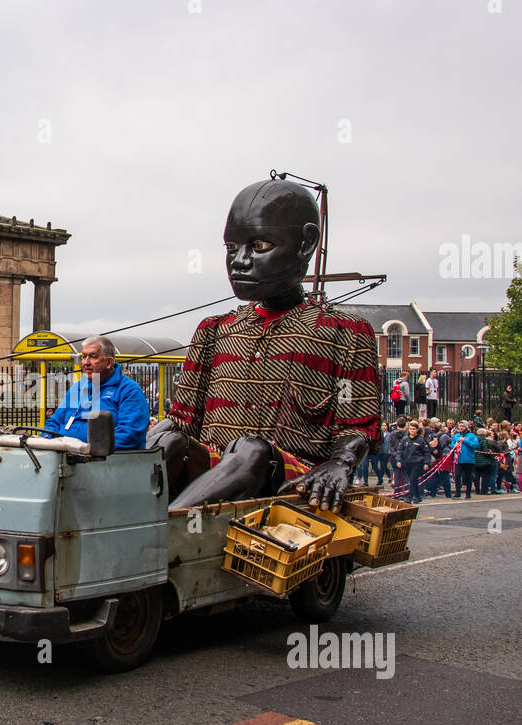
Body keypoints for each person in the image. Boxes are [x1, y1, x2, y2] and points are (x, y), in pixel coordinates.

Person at [149, 178, 380, 510]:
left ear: (306, 244)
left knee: (251, 450)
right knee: (168, 439)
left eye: (259, 246)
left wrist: (340, 462)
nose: (239, 261)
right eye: (231, 248)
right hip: (212, 475)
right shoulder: (214, 331)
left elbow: (357, 425)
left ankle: (170, 530)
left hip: (288, 481)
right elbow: (182, 420)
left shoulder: (344, 332)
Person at [41, 336, 150, 449]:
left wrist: (88, 450)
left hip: (104, 461)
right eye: (84, 357)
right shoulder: (77, 388)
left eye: (93, 357)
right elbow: (54, 422)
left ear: (109, 362)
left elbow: (130, 435)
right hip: (66, 459)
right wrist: (46, 438)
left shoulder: (129, 390)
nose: (86, 362)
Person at [395, 420, 428, 504]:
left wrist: (426, 463)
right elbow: (399, 450)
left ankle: (409, 497)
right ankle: (417, 496)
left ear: (417, 430)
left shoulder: (421, 440)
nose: (412, 430)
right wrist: (398, 460)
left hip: (417, 463)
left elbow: (426, 452)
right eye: (410, 429)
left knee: (413, 479)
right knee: (412, 480)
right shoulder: (405, 439)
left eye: (414, 429)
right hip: (407, 462)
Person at [450, 421, 479, 499]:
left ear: (466, 427)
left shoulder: (471, 436)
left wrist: (465, 440)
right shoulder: (456, 436)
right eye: (460, 426)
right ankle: (457, 493)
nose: (461, 428)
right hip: (458, 459)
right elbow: (452, 445)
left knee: (468, 477)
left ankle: (468, 494)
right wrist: (455, 445)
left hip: (468, 459)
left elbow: (476, 445)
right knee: (457, 476)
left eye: (463, 426)